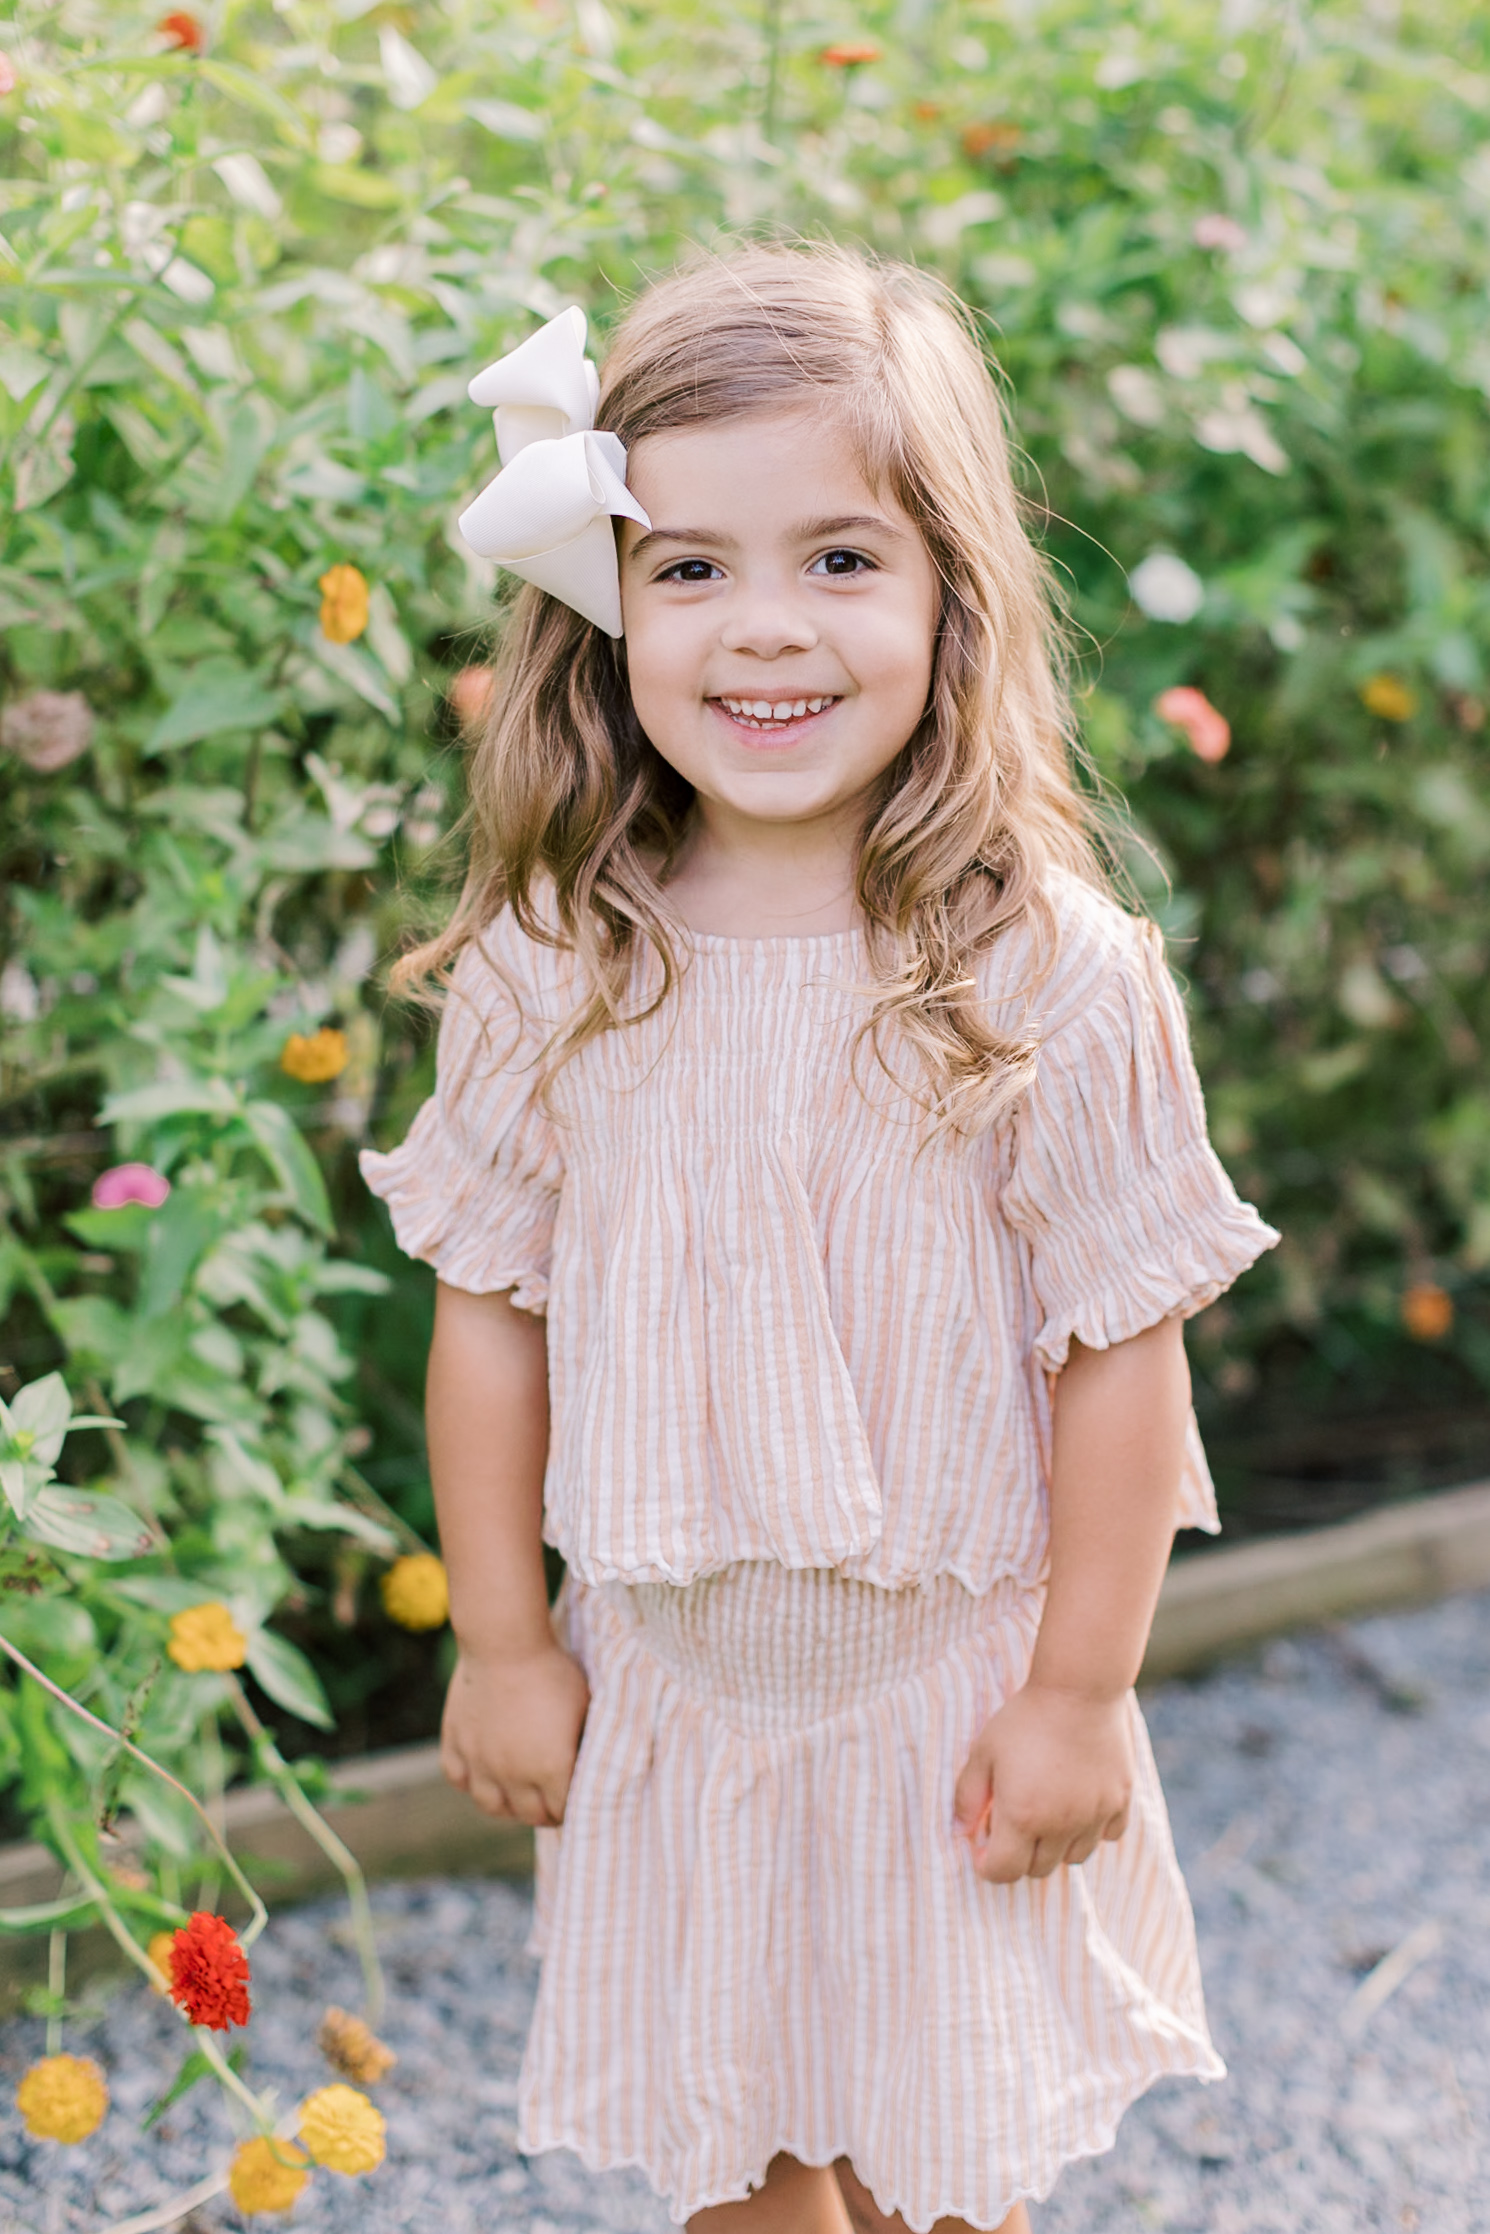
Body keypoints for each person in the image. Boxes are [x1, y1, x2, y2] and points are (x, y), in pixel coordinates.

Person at [361, 242, 1278, 2234]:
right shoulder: (555, 957)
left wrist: (1073, 1691)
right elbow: (489, 1312)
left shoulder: (1047, 968)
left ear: (953, 587)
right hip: (678, 1703)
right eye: (688, 567)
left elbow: (1119, 1348)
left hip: (944, 1692)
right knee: (744, 2175)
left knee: (951, 2172)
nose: (760, 630)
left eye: (839, 558)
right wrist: (505, 1634)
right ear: (603, 605)